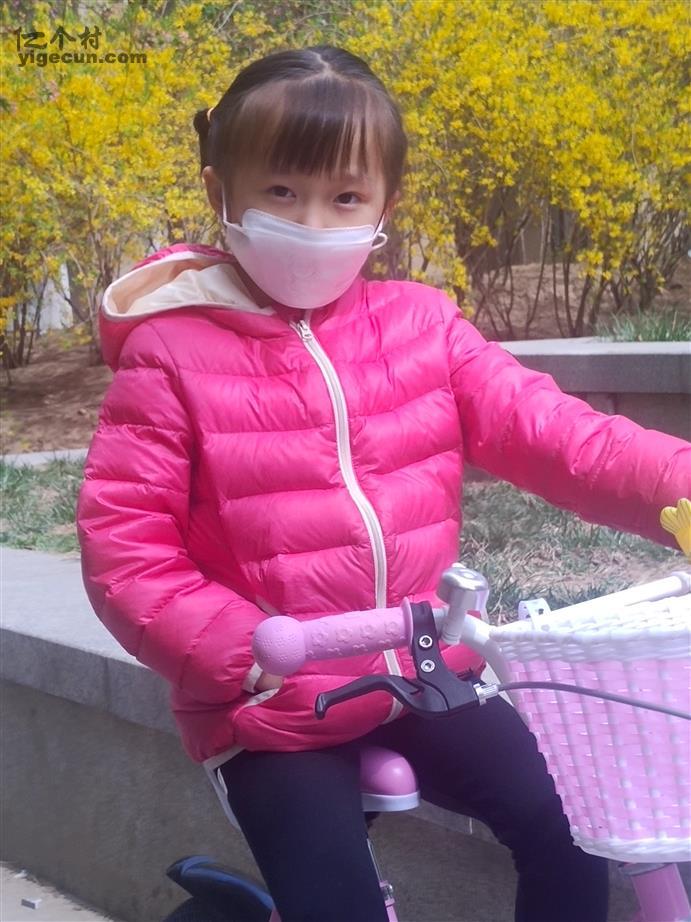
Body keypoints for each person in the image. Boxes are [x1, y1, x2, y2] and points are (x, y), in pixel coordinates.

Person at [76, 45, 690, 922]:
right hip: (274, 708)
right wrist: (247, 654)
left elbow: (563, 438)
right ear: (221, 192)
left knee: (572, 823)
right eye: (281, 192)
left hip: (424, 673)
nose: (312, 222)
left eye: (344, 198)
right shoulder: (169, 356)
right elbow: (126, 553)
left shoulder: (422, 326)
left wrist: (678, 488)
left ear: (384, 206)